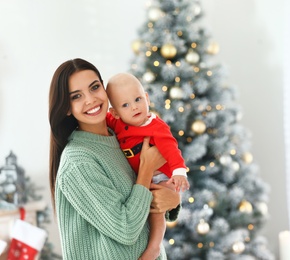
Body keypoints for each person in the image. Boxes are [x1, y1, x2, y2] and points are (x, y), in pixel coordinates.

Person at [48, 58, 181, 260]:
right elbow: (125, 229)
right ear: (67, 107)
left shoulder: (121, 137)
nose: (90, 100)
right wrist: (146, 169)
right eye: (76, 96)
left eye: (94, 87)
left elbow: (147, 194)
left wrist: (173, 200)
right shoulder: (78, 161)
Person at [105, 72, 190, 260]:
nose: (134, 107)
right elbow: (100, 118)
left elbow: (170, 148)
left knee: (157, 210)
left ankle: (154, 247)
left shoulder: (156, 126)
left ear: (146, 98)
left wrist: (179, 172)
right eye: (125, 105)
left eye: (137, 99)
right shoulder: (115, 122)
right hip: (141, 177)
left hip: (162, 176)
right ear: (115, 112)